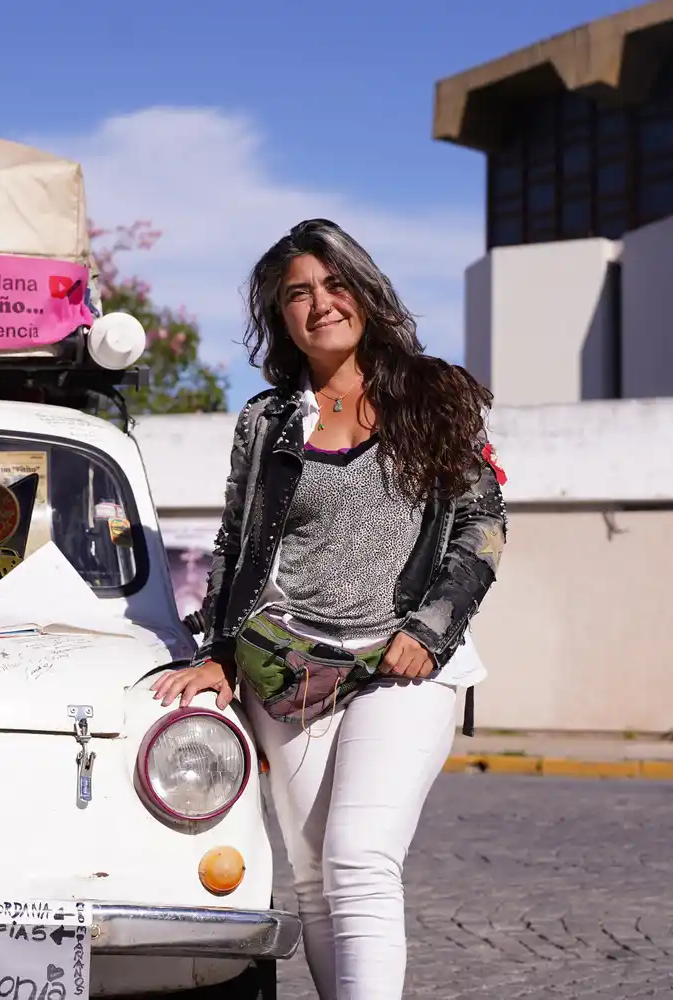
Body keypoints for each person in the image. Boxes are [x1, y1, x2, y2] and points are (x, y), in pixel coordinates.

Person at [151, 219, 507, 999]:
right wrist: (218, 652)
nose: (321, 304)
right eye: (298, 294)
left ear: (365, 292)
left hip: (402, 664)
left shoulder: (434, 396)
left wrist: (431, 630)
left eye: (335, 284)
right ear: (280, 316)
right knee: (311, 876)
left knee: (359, 857)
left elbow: (482, 527)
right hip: (288, 668)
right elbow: (236, 542)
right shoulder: (267, 421)